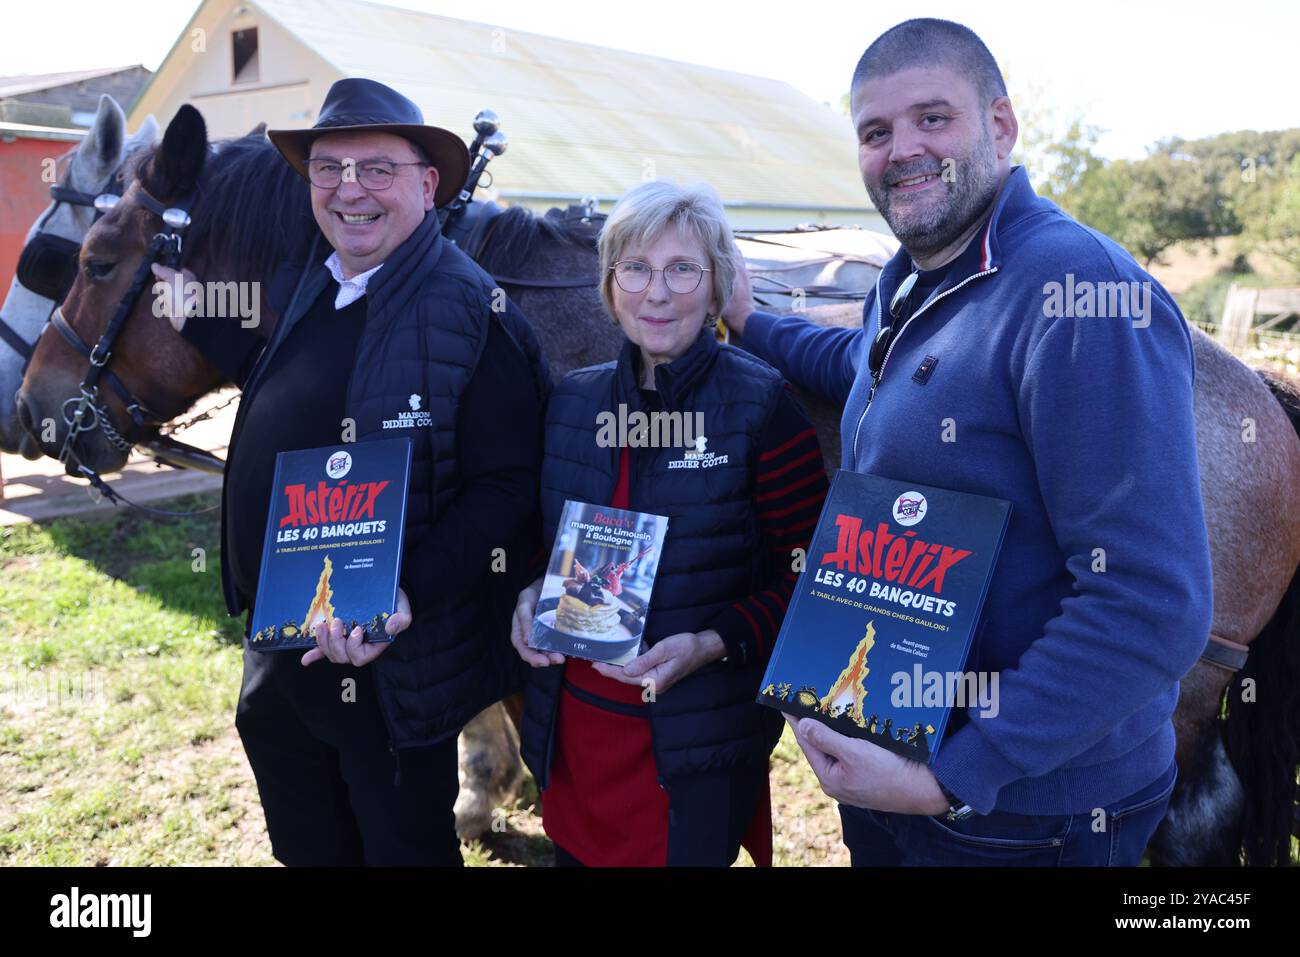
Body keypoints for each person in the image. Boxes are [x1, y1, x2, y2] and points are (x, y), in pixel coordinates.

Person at [721, 19, 1211, 866]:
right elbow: (866, 367)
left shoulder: (1078, 293)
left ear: (1001, 126)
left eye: (932, 118)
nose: (902, 149)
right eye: (876, 132)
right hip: (896, 765)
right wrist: (750, 321)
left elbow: (1152, 603)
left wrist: (956, 773)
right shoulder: (912, 274)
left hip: (1024, 811)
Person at [156, 78, 549, 865]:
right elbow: (290, 378)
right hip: (282, 651)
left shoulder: (472, 309)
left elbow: (508, 486)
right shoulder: (321, 281)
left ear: (428, 183)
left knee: (398, 851)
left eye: (377, 169)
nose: (348, 189)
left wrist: (405, 593)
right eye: (329, 169)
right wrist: (196, 313)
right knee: (308, 848)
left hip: (389, 677)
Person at [511, 180, 829, 866]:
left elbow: (812, 581)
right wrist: (529, 592)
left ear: (716, 285)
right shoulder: (571, 402)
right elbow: (546, 550)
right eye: (636, 267)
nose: (657, 292)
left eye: (683, 268)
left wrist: (714, 642)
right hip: (574, 737)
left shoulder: (762, 408)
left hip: (691, 745)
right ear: (610, 283)